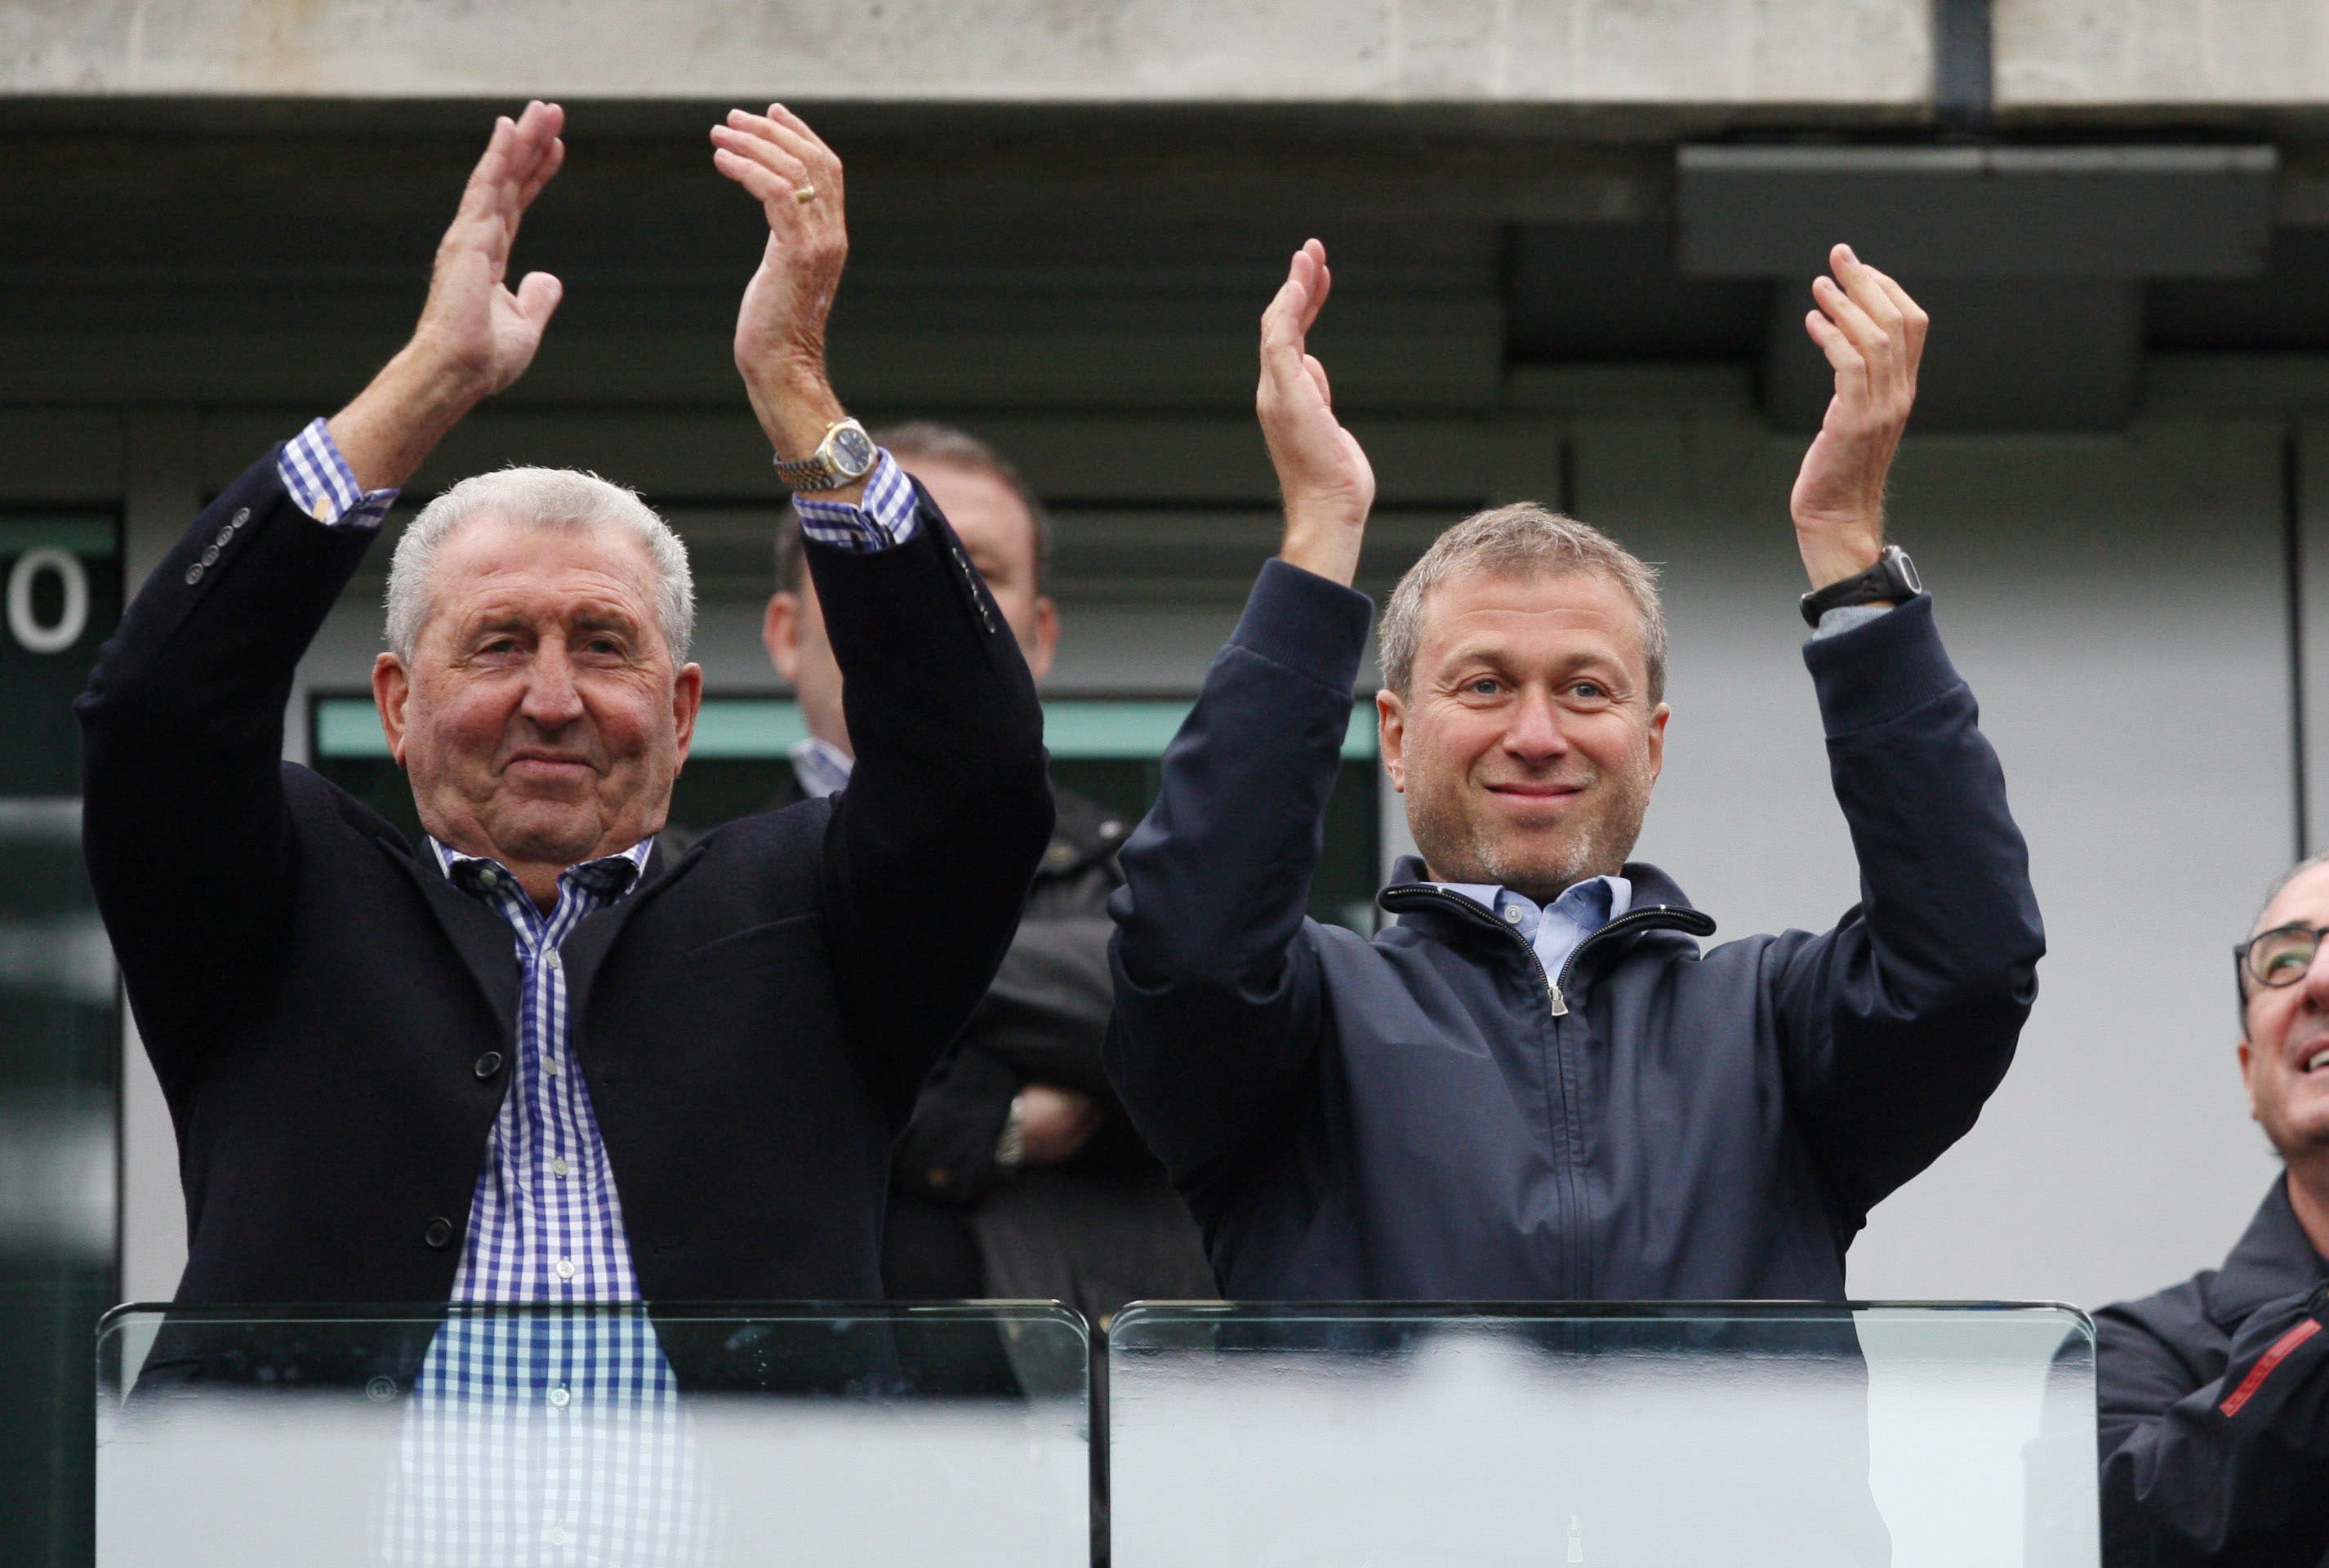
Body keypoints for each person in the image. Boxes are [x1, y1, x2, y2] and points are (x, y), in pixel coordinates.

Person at [76, 99, 1051, 1311]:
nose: (552, 700)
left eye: (603, 646)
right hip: (326, 1449)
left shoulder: (813, 916)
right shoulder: (276, 906)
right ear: (396, 702)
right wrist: (429, 381)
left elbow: (976, 772)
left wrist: (796, 389)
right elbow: (156, 714)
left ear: (682, 712)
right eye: (497, 646)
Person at [1104, 238, 2044, 1303]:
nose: (1537, 733)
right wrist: (1320, 534)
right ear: (1395, 740)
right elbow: (1188, 957)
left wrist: (1847, 552)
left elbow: (1966, 967)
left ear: (1651, 743)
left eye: (1587, 689)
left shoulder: (1770, 1029)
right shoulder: (1304, 1025)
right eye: (1484, 685)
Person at [763, 421, 1214, 1325]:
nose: (925, 594)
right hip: (807, 1393)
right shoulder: (677, 881)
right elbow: (723, 1104)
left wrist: (819, 969)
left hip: (1091, 1391)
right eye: (869, 554)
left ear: (1038, 636)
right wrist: (994, 1122)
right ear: (784, 632)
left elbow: (1199, 1022)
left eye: (978, 568)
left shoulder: (1147, 865)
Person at [2094, 855, 2329, 1566]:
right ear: (2250, 1075)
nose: (2320, 981)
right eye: (2285, 959)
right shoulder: (2136, 1355)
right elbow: (2131, 1533)